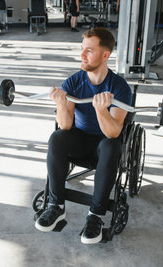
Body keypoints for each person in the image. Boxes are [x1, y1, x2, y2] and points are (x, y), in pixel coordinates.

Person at [35, 28, 132, 244]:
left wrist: (100, 110)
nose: (82, 55)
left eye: (89, 50)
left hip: (103, 147)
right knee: (57, 137)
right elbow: (66, 124)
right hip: (78, 139)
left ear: (105, 55)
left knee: (111, 145)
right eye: (82, 49)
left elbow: (113, 132)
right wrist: (61, 105)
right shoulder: (73, 82)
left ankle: (95, 215)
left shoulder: (120, 88)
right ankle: (56, 206)